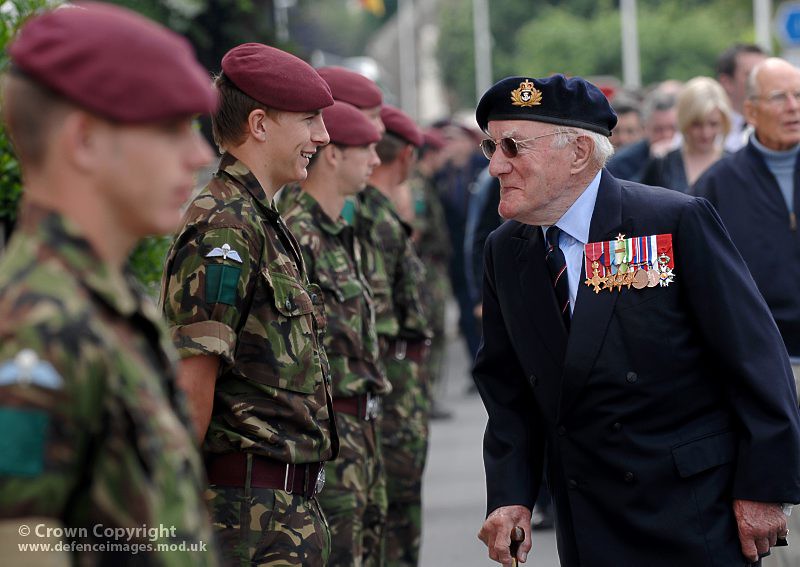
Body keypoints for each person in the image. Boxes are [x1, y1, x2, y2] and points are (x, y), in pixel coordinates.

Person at [472, 74, 800, 566]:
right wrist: (511, 495)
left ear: (579, 152)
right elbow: (508, 388)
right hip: (588, 514)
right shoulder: (506, 250)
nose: (497, 165)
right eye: (490, 146)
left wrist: (764, 488)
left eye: (513, 146)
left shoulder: (670, 222)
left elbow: (754, 358)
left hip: (691, 508)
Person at [0, 3, 218, 565]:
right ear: (85, 140)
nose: (198, 155)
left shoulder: (103, 303)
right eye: (171, 128)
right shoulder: (35, 329)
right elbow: (25, 546)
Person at [160, 43, 338, 565]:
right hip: (244, 522)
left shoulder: (257, 220)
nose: (322, 136)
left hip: (279, 512)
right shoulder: (225, 227)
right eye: (309, 120)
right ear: (259, 124)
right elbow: (194, 386)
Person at [694, 59, 800, 566]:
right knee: (777, 503)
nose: (794, 107)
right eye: (780, 98)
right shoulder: (719, 185)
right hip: (764, 365)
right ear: (750, 110)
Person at [277, 101, 388, 566]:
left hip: (360, 433)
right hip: (330, 438)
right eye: (366, 149)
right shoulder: (298, 234)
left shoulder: (339, 230)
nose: (376, 162)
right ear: (335, 155)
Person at [359, 105, 431, 566]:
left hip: (393, 386)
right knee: (392, 524)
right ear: (405, 155)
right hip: (387, 389)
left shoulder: (379, 214)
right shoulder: (373, 219)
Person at [642, 76, 732, 192]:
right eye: (697, 124)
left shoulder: (735, 165)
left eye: (713, 124)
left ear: (723, 122)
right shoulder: (662, 165)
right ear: (684, 121)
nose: (706, 133)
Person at [606, 86, 678, 183]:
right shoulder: (621, 163)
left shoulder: (691, 153)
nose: (666, 135)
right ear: (646, 128)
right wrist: (654, 163)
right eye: (658, 129)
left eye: (672, 128)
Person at [716, 43, 767, 153]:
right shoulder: (709, 129)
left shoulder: (781, 126)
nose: (762, 81)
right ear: (727, 82)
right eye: (751, 75)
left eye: (765, 75)